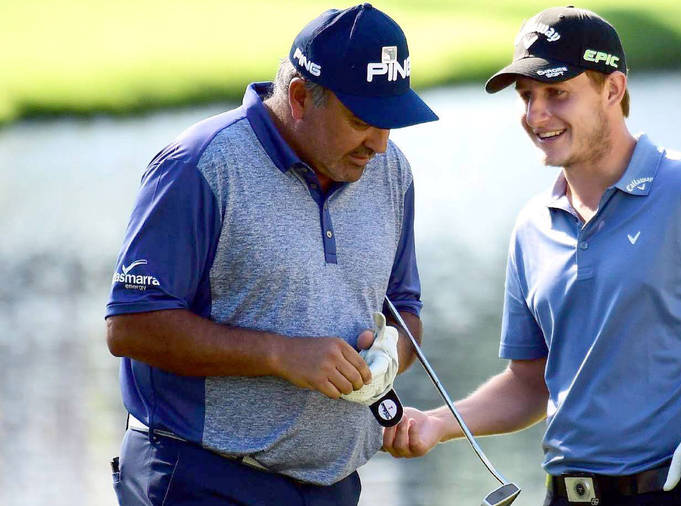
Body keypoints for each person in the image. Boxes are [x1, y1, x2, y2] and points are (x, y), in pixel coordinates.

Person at [382, 6, 681, 506]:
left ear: (612, 90)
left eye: (557, 93)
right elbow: (530, 383)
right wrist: (439, 423)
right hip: (566, 495)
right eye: (527, 96)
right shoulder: (533, 225)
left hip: (676, 490)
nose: (536, 115)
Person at [105, 4, 437, 505]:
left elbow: (402, 305)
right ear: (301, 98)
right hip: (202, 479)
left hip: (333, 485)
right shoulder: (201, 165)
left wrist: (391, 352)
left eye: (392, 122)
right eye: (362, 120)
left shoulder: (391, 173)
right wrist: (280, 355)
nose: (381, 144)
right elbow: (132, 326)